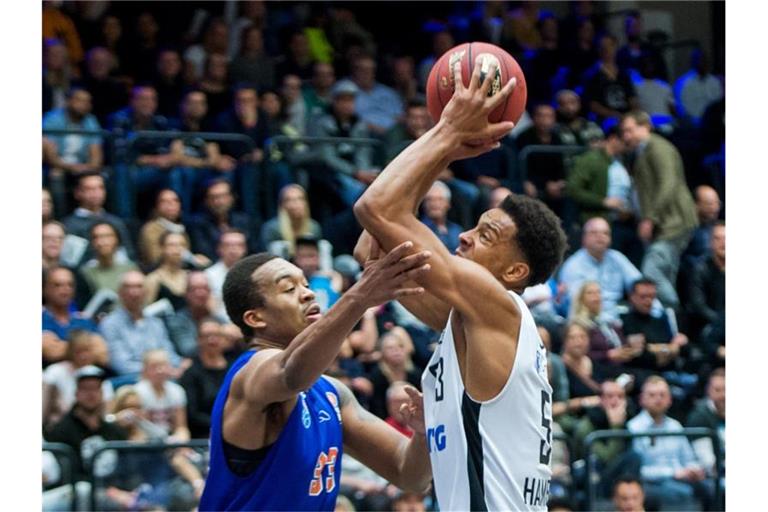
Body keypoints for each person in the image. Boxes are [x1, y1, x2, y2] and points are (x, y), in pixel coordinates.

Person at [354, 60, 567, 510]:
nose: (465, 235)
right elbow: (372, 254)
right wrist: (442, 150)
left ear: (514, 273)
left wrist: (447, 135)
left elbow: (376, 207)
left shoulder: (498, 305)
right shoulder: (470, 320)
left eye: (486, 235)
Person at [198, 244, 433, 510]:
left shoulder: (332, 393)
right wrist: (359, 297)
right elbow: (292, 374)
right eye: (289, 289)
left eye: (306, 284)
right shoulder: (250, 372)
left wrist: (423, 434)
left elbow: (410, 475)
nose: (308, 294)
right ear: (255, 318)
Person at [621, 110, 699, 310]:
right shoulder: (643, 151)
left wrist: (650, 218)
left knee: (652, 271)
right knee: (666, 274)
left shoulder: (658, 148)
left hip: (672, 222)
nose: (626, 136)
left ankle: (673, 312)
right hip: (665, 224)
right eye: (624, 132)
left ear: (645, 126)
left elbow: (668, 184)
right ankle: (671, 326)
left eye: (630, 130)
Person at [627, 376, 711, 509]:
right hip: (652, 483)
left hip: (681, 478)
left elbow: (689, 458)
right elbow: (638, 471)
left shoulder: (675, 426)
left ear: (670, 400)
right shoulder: (633, 428)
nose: (658, 399)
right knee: (682, 493)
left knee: (711, 488)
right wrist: (672, 473)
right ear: (642, 399)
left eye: (662, 395)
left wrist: (694, 469)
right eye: (652, 395)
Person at [45, 366, 129, 482]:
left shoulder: (114, 431)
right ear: (76, 393)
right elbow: (66, 475)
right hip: (79, 492)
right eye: (86, 389)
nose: (91, 394)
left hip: (114, 490)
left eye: (95, 388)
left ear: (102, 393)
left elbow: (127, 469)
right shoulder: (60, 432)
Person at [100, 271, 183, 379]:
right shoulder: (110, 324)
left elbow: (169, 355)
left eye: (139, 287)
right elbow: (122, 365)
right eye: (128, 287)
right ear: (119, 292)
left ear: (146, 292)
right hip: (132, 382)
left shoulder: (156, 323)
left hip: (163, 378)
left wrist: (181, 364)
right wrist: (159, 371)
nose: (134, 292)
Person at [558, 217, 643, 321]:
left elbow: (640, 285)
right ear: (584, 238)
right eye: (594, 233)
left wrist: (657, 312)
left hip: (618, 318)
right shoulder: (572, 265)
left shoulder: (617, 258)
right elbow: (576, 304)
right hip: (586, 321)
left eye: (605, 233)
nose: (600, 237)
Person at [573, 381, 641, 497]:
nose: (615, 401)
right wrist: (616, 426)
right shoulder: (587, 425)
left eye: (620, 396)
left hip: (615, 476)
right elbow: (605, 458)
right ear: (600, 399)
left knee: (633, 458)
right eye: (610, 396)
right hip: (591, 475)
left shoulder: (628, 421)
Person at [43, 331, 113, 431]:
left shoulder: (99, 374)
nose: (83, 356)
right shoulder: (54, 372)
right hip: (61, 426)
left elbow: (107, 411)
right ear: (70, 351)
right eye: (79, 351)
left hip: (93, 427)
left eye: (87, 351)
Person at [62, 173, 136, 263]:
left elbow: (129, 255)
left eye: (100, 188)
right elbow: (69, 261)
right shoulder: (69, 225)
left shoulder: (116, 222)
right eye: (89, 189)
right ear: (77, 193)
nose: (96, 193)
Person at [620, 278, 689, 373]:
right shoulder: (625, 321)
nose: (648, 301)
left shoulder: (660, 321)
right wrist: (670, 348)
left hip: (670, 372)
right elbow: (641, 356)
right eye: (643, 296)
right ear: (632, 297)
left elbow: (682, 349)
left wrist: (655, 348)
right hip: (640, 373)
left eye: (652, 296)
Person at [179, 319, 231, 439]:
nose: (212, 340)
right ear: (198, 340)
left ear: (224, 339)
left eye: (216, 336)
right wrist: (221, 425)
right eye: (206, 336)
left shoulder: (235, 369)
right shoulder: (190, 373)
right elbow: (192, 414)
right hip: (204, 434)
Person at [516, 103, 567, 216]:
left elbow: (561, 166)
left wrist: (559, 183)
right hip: (531, 183)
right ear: (534, 118)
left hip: (553, 185)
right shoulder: (523, 138)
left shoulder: (557, 138)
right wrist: (526, 182)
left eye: (549, 116)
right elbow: (517, 167)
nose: (545, 120)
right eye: (542, 116)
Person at [42, 267, 100, 365]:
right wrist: (85, 346)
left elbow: (102, 353)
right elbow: (51, 352)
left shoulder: (83, 320)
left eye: (70, 285)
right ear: (45, 289)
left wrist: (61, 347)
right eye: (57, 285)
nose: (65, 290)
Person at [187, 179, 256, 260]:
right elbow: (203, 252)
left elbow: (254, 250)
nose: (220, 201)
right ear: (206, 200)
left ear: (232, 198)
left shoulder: (245, 221)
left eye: (224, 196)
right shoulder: (197, 224)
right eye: (214, 197)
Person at [165, 271, 229, 358]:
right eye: (195, 289)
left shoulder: (218, 319)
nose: (201, 293)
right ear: (186, 293)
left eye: (205, 288)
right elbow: (187, 350)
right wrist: (222, 338)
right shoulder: (177, 320)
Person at [134, 350, 191, 441]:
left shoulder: (177, 391)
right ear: (144, 369)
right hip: (147, 441)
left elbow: (181, 427)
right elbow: (139, 428)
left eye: (163, 365)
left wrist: (181, 442)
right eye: (154, 366)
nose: (160, 370)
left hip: (170, 440)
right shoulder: (137, 392)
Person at [365, 331, 423, 420]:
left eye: (400, 346)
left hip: (413, 418)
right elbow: (376, 408)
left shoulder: (415, 373)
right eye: (390, 348)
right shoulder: (377, 376)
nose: (396, 351)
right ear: (381, 352)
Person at [583, 34, 639, 124]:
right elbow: (592, 104)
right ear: (599, 49)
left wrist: (634, 114)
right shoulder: (592, 74)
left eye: (610, 45)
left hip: (626, 117)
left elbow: (632, 98)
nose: (607, 49)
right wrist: (612, 114)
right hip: (605, 119)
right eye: (604, 46)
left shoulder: (623, 73)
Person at [79, 221, 139, 302]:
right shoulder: (85, 273)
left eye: (107, 236)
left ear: (117, 239)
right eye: (96, 237)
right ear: (92, 242)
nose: (102, 242)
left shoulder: (131, 269)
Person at [260, 184, 323, 256]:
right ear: (282, 205)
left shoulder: (314, 227)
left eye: (300, 199)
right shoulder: (272, 229)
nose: (296, 204)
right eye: (289, 200)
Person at [348, 55, 403, 135]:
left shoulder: (388, 93)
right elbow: (348, 118)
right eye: (362, 70)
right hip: (363, 134)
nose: (366, 74)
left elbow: (399, 117)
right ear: (355, 72)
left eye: (370, 70)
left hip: (390, 134)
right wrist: (371, 127)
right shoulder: (348, 93)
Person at [687, 222, 725, 337]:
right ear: (710, 243)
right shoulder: (699, 269)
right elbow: (698, 305)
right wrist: (722, 322)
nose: (723, 243)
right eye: (717, 239)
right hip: (709, 325)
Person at [204, 229, 249, 319]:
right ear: (219, 248)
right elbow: (211, 308)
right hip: (221, 325)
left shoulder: (253, 274)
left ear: (245, 249)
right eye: (228, 245)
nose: (233, 250)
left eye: (238, 245)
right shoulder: (208, 275)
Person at [674, 49, 723, 126]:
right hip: (693, 125)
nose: (702, 63)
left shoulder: (714, 82)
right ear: (692, 62)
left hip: (713, 124)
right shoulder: (683, 83)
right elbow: (681, 110)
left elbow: (719, 103)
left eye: (705, 60)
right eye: (699, 60)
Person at [144, 232, 191, 310]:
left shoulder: (192, 277)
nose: (177, 249)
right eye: (172, 245)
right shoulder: (153, 279)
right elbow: (146, 311)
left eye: (182, 245)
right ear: (162, 249)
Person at [420, 181, 462, 253]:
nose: (434, 204)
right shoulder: (419, 229)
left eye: (440, 199)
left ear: (448, 204)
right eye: (430, 199)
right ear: (424, 204)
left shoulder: (457, 229)